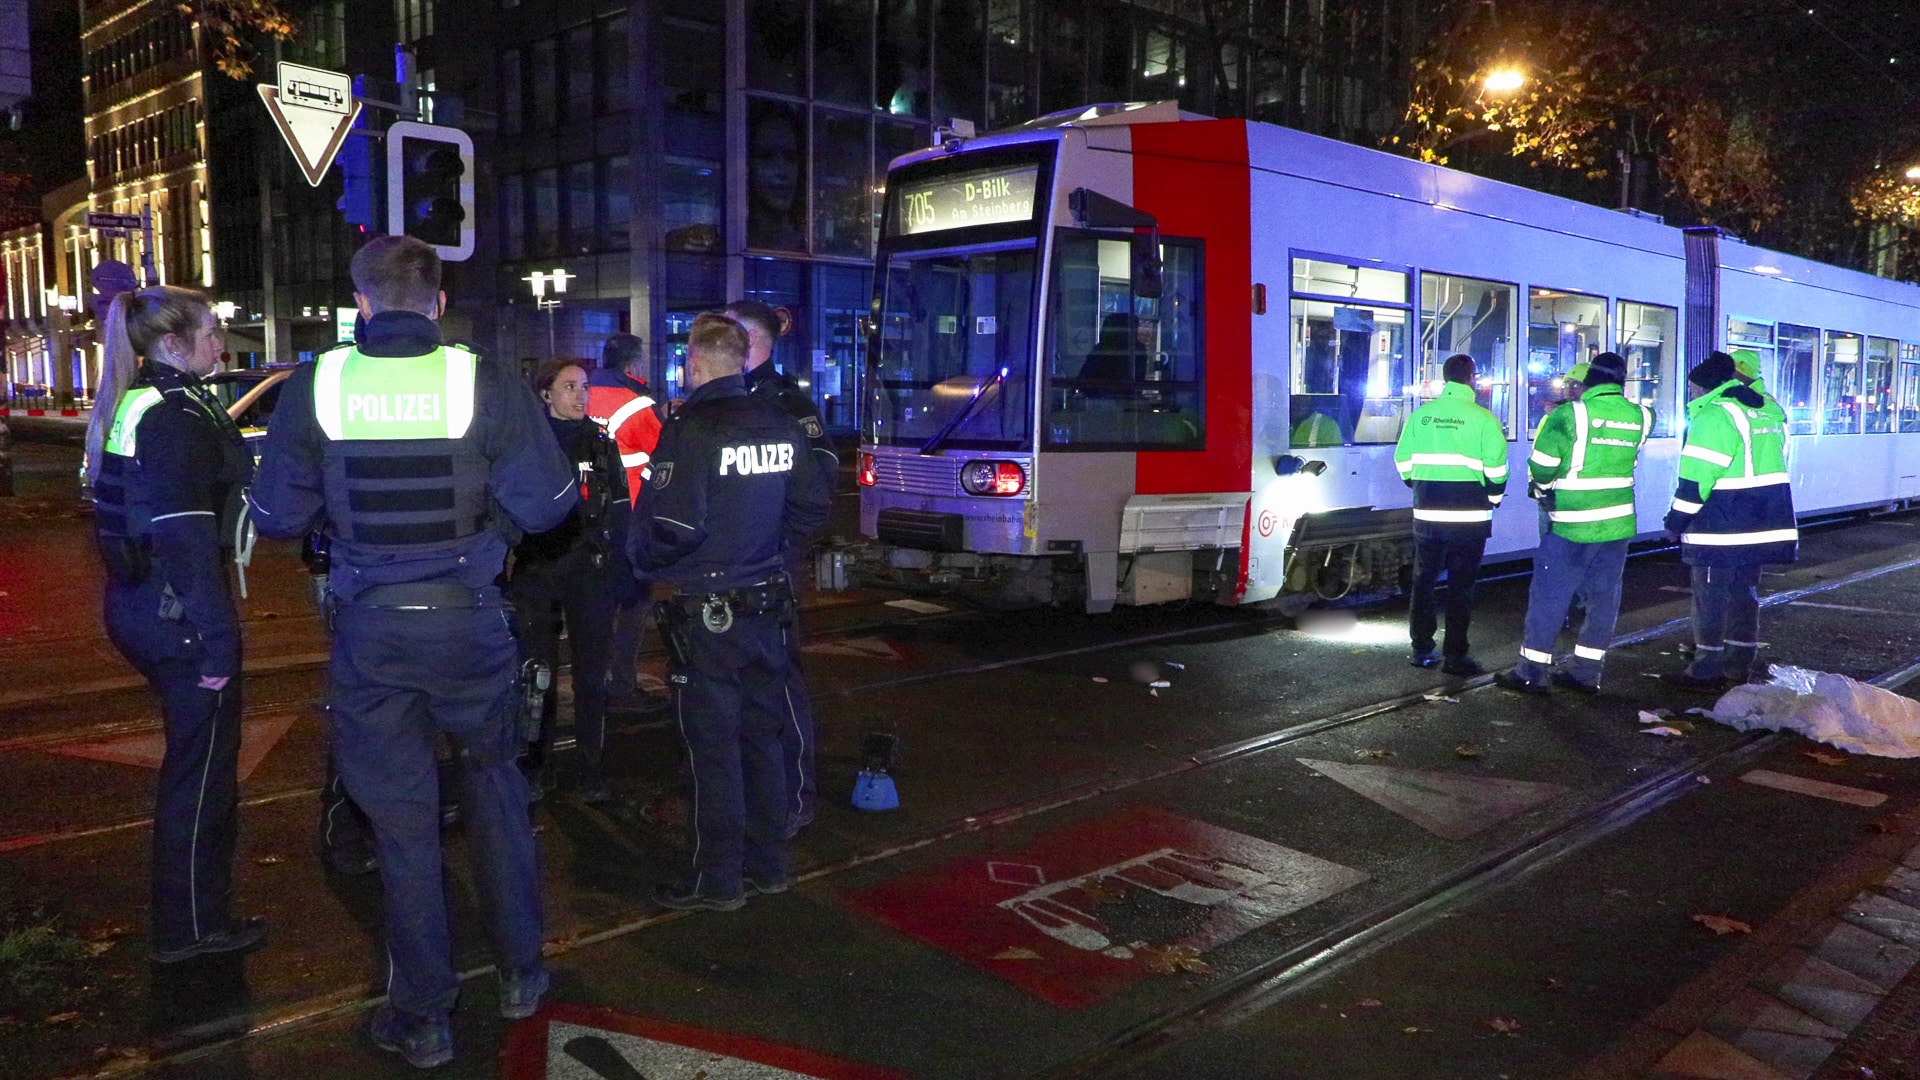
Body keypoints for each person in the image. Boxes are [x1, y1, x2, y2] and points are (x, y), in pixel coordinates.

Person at [250, 236, 574, 1068]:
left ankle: (425, 1018)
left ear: (359, 303)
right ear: (436, 302)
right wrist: (487, 532)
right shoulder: (482, 379)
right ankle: (522, 976)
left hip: (374, 630)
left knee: (401, 825)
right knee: (498, 790)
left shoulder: (318, 384)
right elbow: (546, 507)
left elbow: (278, 517)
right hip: (470, 624)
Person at [85, 285, 265, 964]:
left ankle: (191, 918)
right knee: (202, 777)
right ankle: (192, 927)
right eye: (212, 333)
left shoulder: (144, 402)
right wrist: (218, 640)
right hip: (177, 617)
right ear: (170, 344)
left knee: (196, 766)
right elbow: (186, 539)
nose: (222, 344)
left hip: (143, 607)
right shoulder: (176, 418)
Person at [629, 313, 831, 910]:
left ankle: (717, 879)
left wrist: (642, 557)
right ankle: (770, 866)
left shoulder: (693, 429)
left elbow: (673, 525)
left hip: (709, 614)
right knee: (764, 739)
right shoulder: (780, 422)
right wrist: (769, 553)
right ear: (743, 360)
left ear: (694, 362)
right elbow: (813, 506)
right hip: (769, 604)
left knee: (712, 751)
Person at [724, 299, 837, 838]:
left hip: (769, 562)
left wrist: (778, 537)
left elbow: (820, 477)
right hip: (729, 563)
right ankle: (752, 791)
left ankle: (792, 794)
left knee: (778, 677)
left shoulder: (786, 402)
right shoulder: (722, 401)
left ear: (753, 341)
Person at [1495, 353, 1651, 694]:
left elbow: (1542, 465)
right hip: (1617, 525)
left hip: (1570, 524)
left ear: (1590, 380)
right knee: (1603, 600)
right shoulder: (1642, 416)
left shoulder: (1569, 415)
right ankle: (1586, 672)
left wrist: (1544, 490)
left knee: (1549, 598)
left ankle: (1532, 672)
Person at [513, 359, 628, 803]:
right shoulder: (526, 444)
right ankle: (536, 765)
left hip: (589, 571)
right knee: (535, 674)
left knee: (591, 677)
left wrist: (620, 567)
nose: (581, 395)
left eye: (583, 386)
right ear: (546, 395)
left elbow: (620, 509)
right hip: (538, 569)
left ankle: (589, 769)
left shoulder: (600, 443)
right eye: (569, 387)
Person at [1665, 351, 1798, 691]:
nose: (1690, 394)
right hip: (1763, 520)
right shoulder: (1768, 409)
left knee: (1710, 596)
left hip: (1722, 526)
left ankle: (1706, 666)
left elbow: (1696, 480)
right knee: (1744, 593)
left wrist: (1676, 521)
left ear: (1704, 386)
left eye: (1693, 388)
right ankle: (1739, 663)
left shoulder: (1713, 416)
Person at [1392, 353, 1509, 676]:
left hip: (1427, 516)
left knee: (1423, 582)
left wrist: (1418, 486)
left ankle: (1421, 650)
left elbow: (1402, 459)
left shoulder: (1422, 416)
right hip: (1470, 521)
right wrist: (1493, 499)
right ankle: (1456, 657)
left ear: (1445, 378)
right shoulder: (1483, 419)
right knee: (1461, 588)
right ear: (1472, 378)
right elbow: (1497, 470)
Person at [586, 332, 666, 713]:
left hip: (584, 517)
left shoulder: (581, 394)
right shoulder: (637, 405)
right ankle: (621, 684)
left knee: (593, 602)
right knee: (633, 604)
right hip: (629, 520)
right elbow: (664, 455)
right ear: (634, 366)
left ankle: (591, 681)